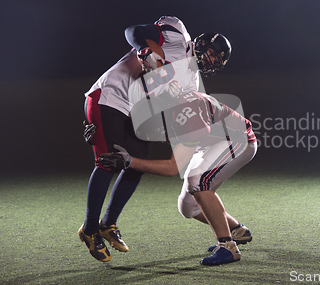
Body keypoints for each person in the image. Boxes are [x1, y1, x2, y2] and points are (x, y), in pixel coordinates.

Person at [79, 15, 232, 263]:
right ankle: (89, 229)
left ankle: (108, 223)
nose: (211, 59)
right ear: (202, 42)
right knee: (108, 161)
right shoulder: (177, 34)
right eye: (212, 52)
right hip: (111, 95)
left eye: (217, 59)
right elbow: (133, 30)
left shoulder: (193, 84)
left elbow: (167, 115)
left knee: (136, 164)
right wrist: (144, 48)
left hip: (135, 112)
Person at [97, 87, 257, 266]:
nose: (150, 135)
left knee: (198, 183)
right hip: (209, 144)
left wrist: (130, 162)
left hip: (236, 139)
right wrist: (98, 138)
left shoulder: (186, 114)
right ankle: (237, 230)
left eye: (150, 128)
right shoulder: (167, 109)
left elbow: (172, 168)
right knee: (188, 207)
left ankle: (228, 247)